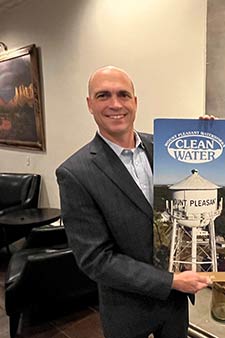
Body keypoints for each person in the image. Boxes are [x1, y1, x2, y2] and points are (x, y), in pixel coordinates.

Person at [56, 66, 212, 338]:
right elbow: (95, 259)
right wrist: (171, 281)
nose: (115, 104)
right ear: (90, 104)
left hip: (175, 304)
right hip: (127, 309)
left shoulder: (166, 148)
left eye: (123, 95)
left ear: (135, 102)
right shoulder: (75, 173)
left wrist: (213, 134)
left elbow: (208, 168)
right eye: (103, 96)